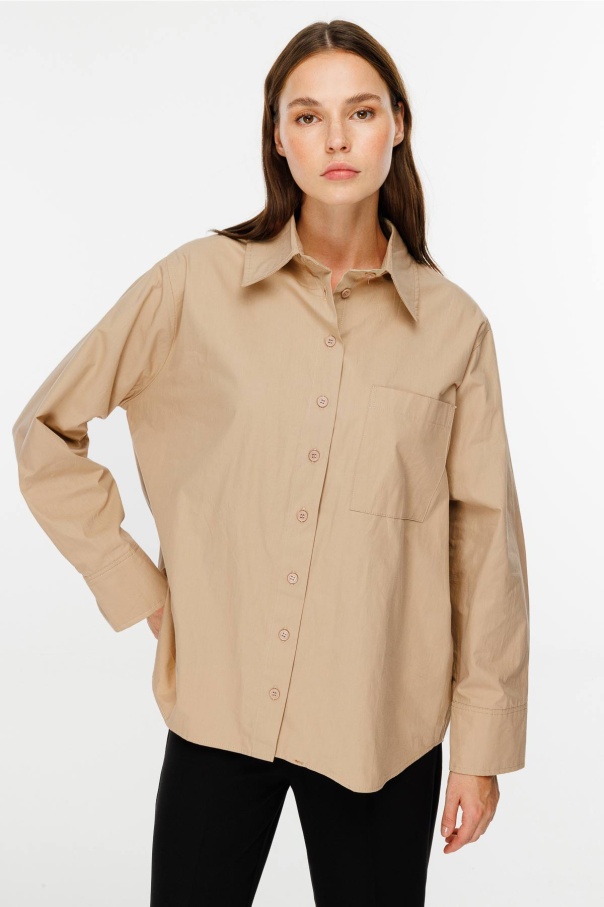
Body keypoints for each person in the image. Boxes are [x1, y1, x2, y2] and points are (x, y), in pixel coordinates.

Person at [12, 18, 530, 907]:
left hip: (380, 724)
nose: (336, 139)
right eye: (308, 116)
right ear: (278, 136)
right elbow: (44, 430)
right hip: (221, 707)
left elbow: (485, 548)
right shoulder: (194, 284)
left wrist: (480, 749)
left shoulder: (455, 328)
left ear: (398, 124)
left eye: (360, 112)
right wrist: (141, 590)